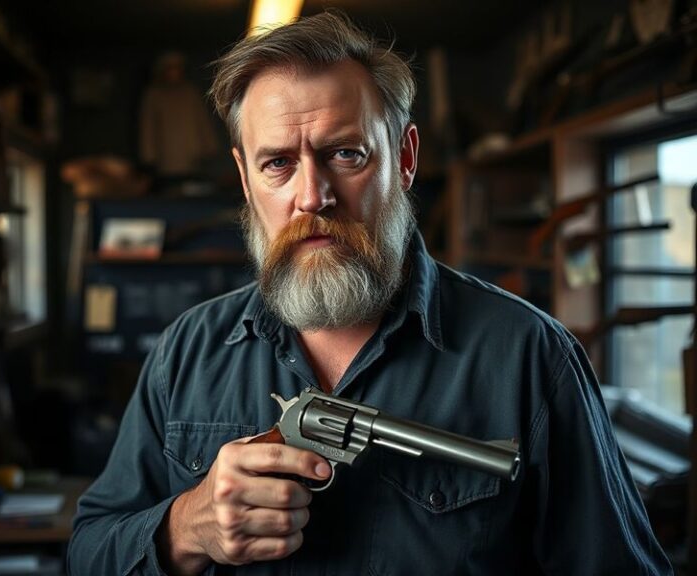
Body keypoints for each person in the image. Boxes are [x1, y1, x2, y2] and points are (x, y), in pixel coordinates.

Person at [67, 12, 673, 576]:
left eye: (346, 154)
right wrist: (184, 527)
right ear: (245, 181)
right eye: (277, 163)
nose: (312, 196)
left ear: (404, 158)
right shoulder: (187, 351)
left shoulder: (531, 356)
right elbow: (89, 549)